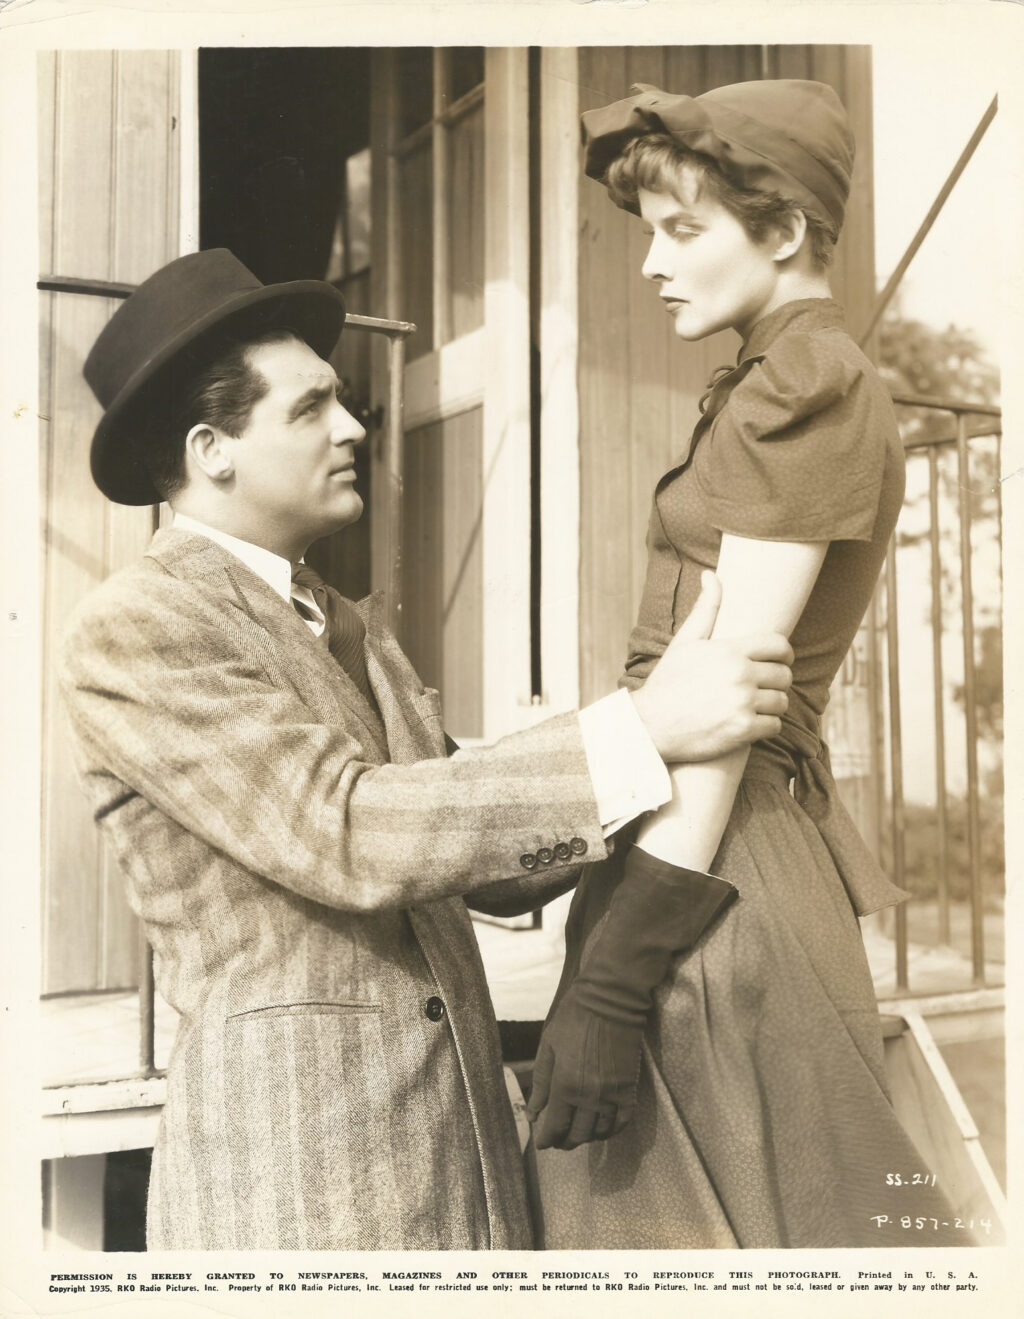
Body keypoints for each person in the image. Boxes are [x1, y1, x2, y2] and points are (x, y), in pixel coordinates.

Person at [58, 247, 795, 1251]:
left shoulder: (342, 621)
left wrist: (667, 744)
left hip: (462, 1175)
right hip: (295, 1199)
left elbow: (487, 873)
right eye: (310, 407)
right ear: (210, 447)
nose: (353, 426)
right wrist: (641, 730)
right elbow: (350, 832)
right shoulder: (140, 624)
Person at [528, 79, 970, 1248]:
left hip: (720, 860)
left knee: (740, 1233)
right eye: (650, 234)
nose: (653, 265)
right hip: (683, 842)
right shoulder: (768, 377)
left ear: (779, 232)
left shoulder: (806, 385)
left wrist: (618, 974)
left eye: (683, 231)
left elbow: (728, 691)